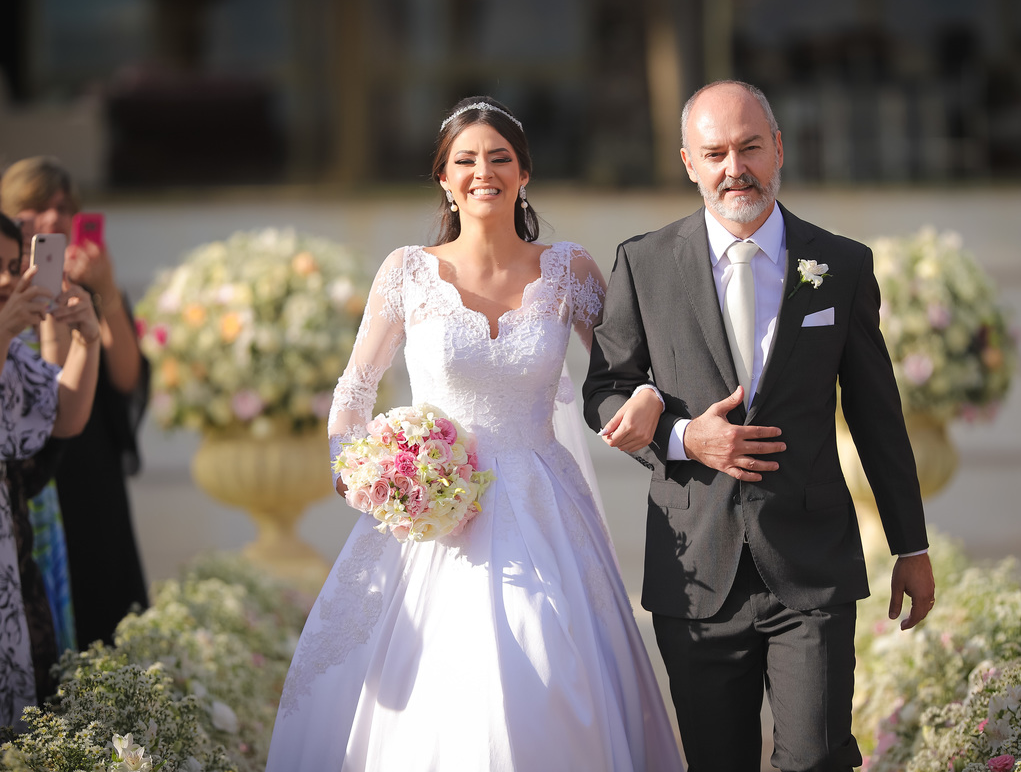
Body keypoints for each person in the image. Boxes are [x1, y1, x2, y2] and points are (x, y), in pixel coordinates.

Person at [266, 96, 683, 771]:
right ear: (444, 178)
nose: (482, 172)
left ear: (524, 174)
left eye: (499, 158)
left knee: (546, 653)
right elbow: (354, 392)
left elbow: (628, 369)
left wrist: (647, 398)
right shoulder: (406, 271)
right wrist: (360, 474)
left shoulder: (569, 270)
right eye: (465, 160)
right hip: (428, 510)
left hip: (544, 506)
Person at [582, 80, 935, 772]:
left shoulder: (842, 265)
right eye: (714, 153)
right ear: (688, 163)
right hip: (695, 570)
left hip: (812, 569)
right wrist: (684, 436)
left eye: (749, 148)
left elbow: (877, 416)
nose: (734, 168)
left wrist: (911, 544)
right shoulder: (642, 264)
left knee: (818, 759)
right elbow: (604, 391)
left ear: (778, 148)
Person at [0, 156, 149, 648]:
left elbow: (128, 379)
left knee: (107, 599)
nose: (52, 217)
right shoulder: (9, 294)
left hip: (90, 459)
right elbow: (47, 390)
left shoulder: (90, 284)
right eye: (35, 206)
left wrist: (104, 291)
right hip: (33, 473)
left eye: (64, 207)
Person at [0, 212, 100, 725]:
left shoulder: (14, 353)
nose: (7, 279)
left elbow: (65, 418)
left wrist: (87, 340)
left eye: (12, 266)